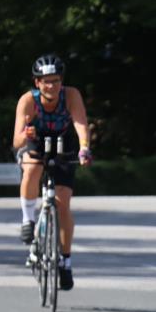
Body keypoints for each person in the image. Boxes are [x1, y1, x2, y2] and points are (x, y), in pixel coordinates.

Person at [12, 54, 92, 291]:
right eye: (46, 81)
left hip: (63, 143)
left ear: (61, 82)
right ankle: (28, 219)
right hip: (34, 142)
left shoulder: (71, 96)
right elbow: (16, 141)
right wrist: (25, 135)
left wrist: (85, 148)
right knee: (33, 166)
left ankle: (65, 261)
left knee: (63, 204)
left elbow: (80, 124)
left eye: (56, 81)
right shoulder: (28, 101)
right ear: (37, 83)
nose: (51, 86)